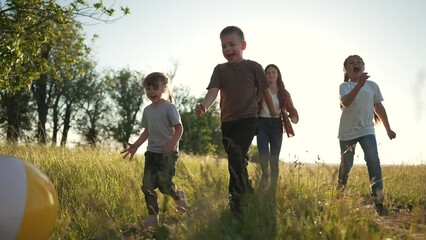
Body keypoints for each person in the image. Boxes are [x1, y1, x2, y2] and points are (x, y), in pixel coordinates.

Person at [195, 26, 278, 218]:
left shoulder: (254, 67)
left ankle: (237, 201)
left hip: (248, 120)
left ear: (243, 45)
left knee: (236, 154)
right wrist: (204, 106)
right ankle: (247, 190)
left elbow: (265, 91)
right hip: (227, 122)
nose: (227, 49)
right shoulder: (220, 69)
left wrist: (274, 114)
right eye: (223, 46)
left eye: (231, 44)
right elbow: (213, 91)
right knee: (235, 159)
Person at [121, 72, 187, 228]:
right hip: (151, 153)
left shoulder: (169, 107)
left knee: (164, 184)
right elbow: (147, 131)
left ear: (163, 88)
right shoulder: (147, 110)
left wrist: (172, 143)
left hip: (168, 153)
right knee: (147, 185)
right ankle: (153, 217)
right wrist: (136, 145)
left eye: (155, 88)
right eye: (148, 89)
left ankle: (178, 195)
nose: (151, 92)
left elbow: (179, 128)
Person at [337, 55, 396, 215]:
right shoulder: (345, 86)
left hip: (367, 130)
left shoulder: (372, 86)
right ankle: (339, 195)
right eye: (352, 62)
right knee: (346, 165)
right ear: (346, 70)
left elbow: (379, 108)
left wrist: (388, 129)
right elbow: (346, 102)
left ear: (363, 66)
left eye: (359, 62)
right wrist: (359, 84)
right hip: (347, 133)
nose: (356, 64)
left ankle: (379, 203)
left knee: (373, 161)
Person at [257, 64, 299, 189]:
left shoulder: (283, 93)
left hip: (276, 125)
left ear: (278, 75)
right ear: (265, 76)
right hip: (262, 124)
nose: (271, 75)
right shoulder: (260, 90)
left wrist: (293, 116)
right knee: (263, 153)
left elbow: (290, 107)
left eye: (273, 72)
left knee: (274, 157)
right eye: (268, 73)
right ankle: (265, 178)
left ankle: (273, 185)